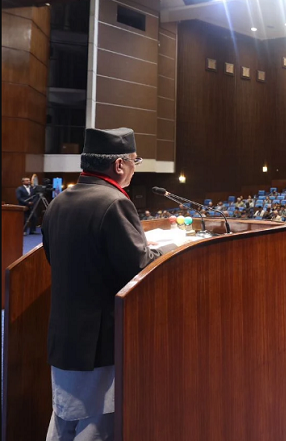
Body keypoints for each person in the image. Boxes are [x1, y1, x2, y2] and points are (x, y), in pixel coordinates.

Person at [42, 128, 166, 441]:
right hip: (98, 341)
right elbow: (139, 267)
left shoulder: (59, 202)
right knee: (96, 426)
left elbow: (54, 258)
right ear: (120, 165)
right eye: (135, 160)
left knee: (63, 419)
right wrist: (168, 250)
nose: (136, 168)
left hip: (64, 334)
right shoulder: (114, 203)